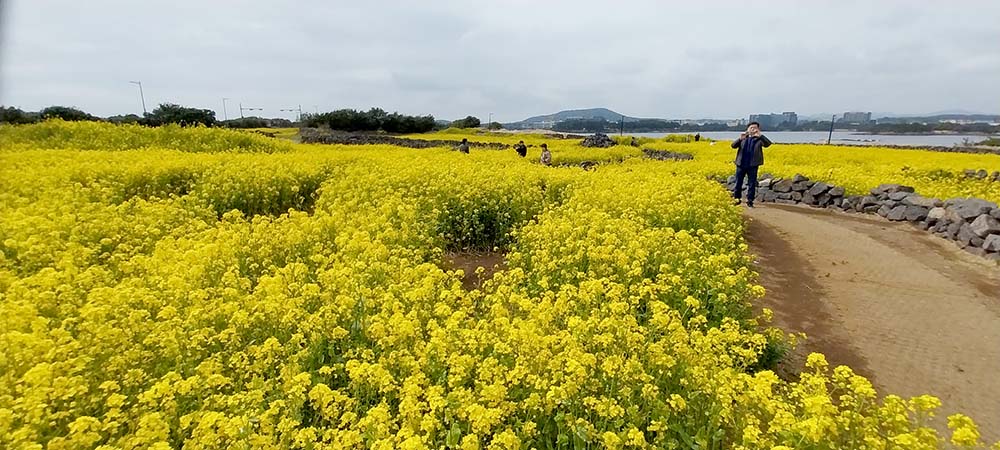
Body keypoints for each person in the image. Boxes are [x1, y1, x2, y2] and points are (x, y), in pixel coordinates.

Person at [730, 121, 771, 207]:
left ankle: (750, 200)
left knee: (752, 183)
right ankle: (737, 199)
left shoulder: (759, 139)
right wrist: (740, 139)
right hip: (741, 164)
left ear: (758, 129)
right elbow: (733, 146)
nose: (753, 129)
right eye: (751, 127)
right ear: (748, 129)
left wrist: (761, 136)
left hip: (753, 165)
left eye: (755, 128)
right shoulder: (743, 138)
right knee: (738, 182)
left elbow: (768, 144)